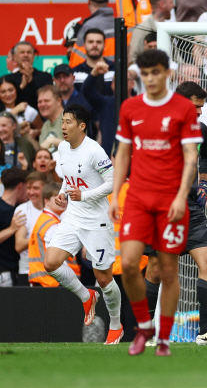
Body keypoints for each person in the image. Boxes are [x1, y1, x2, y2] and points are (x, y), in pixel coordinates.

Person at [109, 49, 202, 357]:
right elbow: (122, 153)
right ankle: (144, 326)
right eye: (145, 73)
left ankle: (163, 336)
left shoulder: (183, 109)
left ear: (168, 73)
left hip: (170, 201)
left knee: (167, 269)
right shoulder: (130, 107)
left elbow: (191, 157)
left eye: (156, 73)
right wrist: (114, 194)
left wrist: (179, 196)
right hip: (137, 197)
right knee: (130, 263)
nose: (150, 79)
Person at [143, 82, 207, 345]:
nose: (199, 112)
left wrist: (204, 182)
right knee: (156, 270)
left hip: (192, 210)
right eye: (195, 107)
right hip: (162, 210)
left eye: (201, 107)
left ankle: (205, 332)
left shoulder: (199, 129)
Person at [40, 104, 123, 344]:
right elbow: (68, 178)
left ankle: (116, 326)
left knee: (104, 277)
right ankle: (87, 297)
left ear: (82, 125)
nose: (63, 127)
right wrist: (64, 193)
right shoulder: (64, 148)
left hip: (97, 220)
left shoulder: (95, 151)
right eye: (62, 122)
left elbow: (111, 182)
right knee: (51, 262)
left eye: (67, 122)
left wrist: (84, 196)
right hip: (73, 216)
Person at [13, 171, 48, 286]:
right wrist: (43, 235)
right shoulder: (22, 210)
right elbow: (19, 245)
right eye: (28, 188)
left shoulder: (56, 208)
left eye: (36, 188)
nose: (31, 192)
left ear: (45, 188)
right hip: (27, 271)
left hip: (53, 271)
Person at [69, 0, 117, 68]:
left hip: (94, 75)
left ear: (88, 1)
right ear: (108, 1)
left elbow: (78, 59)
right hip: (115, 75)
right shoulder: (118, 24)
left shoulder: (88, 26)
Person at [129, 0, 174, 65]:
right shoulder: (141, 30)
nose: (173, 5)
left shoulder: (170, 29)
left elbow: (177, 59)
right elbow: (132, 60)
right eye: (171, 2)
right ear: (162, 5)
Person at [0, 168, 27, 286]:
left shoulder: (22, 208)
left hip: (16, 273)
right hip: (2, 273)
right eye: (27, 187)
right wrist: (11, 229)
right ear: (20, 186)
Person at [6, 41, 53, 110]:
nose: (26, 55)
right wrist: (22, 86)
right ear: (14, 57)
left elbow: (48, 99)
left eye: (29, 52)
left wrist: (31, 80)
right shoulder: (8, 80)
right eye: (22, 52)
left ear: (33, 56)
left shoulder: (45, 77)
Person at [72, 28, 115, 95]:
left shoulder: (116, 70)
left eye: (99, 42)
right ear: (84, 45)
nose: (94, 45)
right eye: (90, 42)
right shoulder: (75, 73)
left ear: (104, 45)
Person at [37, 86, 64, 153]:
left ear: (58, 101)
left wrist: (52, 141)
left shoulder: (71, 118)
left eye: (46, 101)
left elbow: (78, 148)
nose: (42, 104)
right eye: (40, 102)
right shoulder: (45, 126)